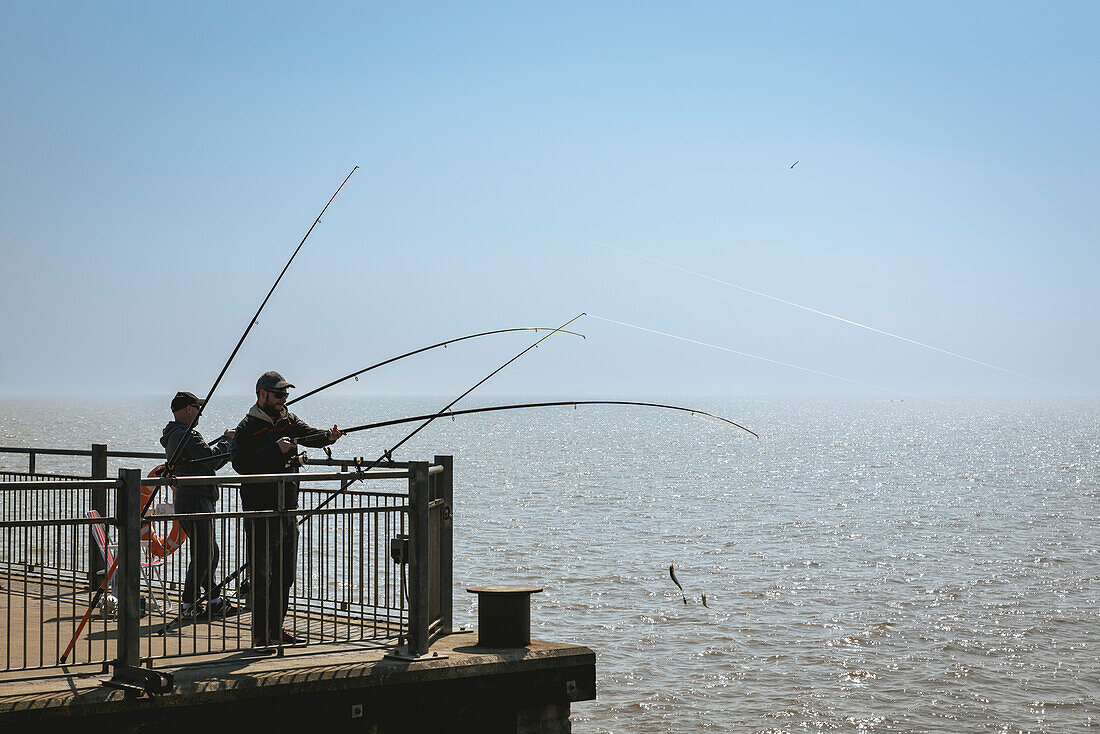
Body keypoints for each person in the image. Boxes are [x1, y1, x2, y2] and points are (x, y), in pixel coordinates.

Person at [230, 371, 342, 647]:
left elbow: (308, 434)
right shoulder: (247, 428)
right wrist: (274, 451)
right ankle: (260, 634)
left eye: (285, 395)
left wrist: (328, 437)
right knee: (262, 575)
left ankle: (275, 629)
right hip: (260, 511)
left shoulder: (288, 420)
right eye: (279, 394)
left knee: (285, 574)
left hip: (288, 510)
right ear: (262, 395)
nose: (283, 399)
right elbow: (240, 463)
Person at [160, 391, 236, 619]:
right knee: (204, 554)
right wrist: (228, 441)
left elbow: (205, 461)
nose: (201, 412)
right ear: (189, 409)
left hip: (191, 498)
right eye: (198, 407)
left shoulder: (179, 435)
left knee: (209, 553)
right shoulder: (186, 435)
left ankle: (212, 598)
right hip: (196, 500)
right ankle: (188, 603)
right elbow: (211, 459)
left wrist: (224, 445)